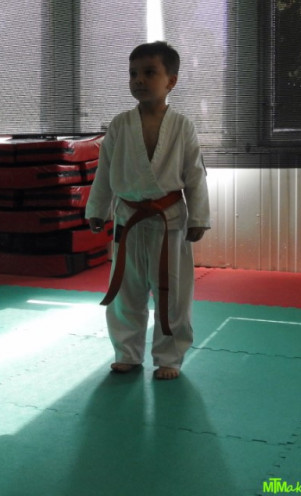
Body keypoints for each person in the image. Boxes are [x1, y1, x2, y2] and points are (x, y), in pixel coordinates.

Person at [86, 41, 210, 380]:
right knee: (126, 291)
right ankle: (127, 352)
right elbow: (105, 171)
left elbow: (195, 175)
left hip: (169, 220)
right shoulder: (119, 125)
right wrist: (98, 209)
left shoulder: (182, 126)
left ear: (171, 81)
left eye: (149, 72)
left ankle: (169, 356)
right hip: (128, 219)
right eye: (133, 73)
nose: (139, 79)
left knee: (173, 292)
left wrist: (199, 217)